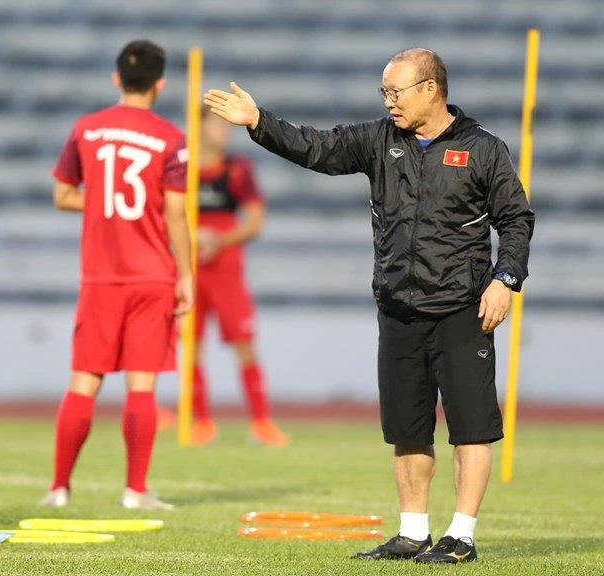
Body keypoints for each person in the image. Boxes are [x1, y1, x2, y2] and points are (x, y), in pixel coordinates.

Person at [205, 48, 534, 563]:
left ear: (431, 89)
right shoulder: (380, 140)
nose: (388, 102)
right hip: (398, 307)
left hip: (462, 309)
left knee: (471, 427)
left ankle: (462, 536)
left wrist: (505, 279)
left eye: (396, 92)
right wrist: (258, 122)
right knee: (407, 429)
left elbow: (515, 220)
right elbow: (316, 148)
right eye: (384, 92)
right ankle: (412, 532)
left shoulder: (483, 148)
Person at [38, 39, 192, 510]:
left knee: (83, 382)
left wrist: (103, 202)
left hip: (100, 276)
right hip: (152, 275)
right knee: (141, 384)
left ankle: (59, 489)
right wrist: (186, 275)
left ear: (116, 78)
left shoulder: (85, 129)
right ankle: (135, 491)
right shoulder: (171, 138)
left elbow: (63, 195)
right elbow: (174, 212)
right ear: (160, 85)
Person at [188, 109, 288, 446]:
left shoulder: (236, 169)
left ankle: (261, 422)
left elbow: (255, 222)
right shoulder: (181, 168)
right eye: (217, 124)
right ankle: (202, 423)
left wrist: (217, 241)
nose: (224, 131)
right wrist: (192, 237)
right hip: (190, 268)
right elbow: (163, 214)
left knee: (244, 343)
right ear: (199, 126)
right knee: (191, 346)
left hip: (226, 268)